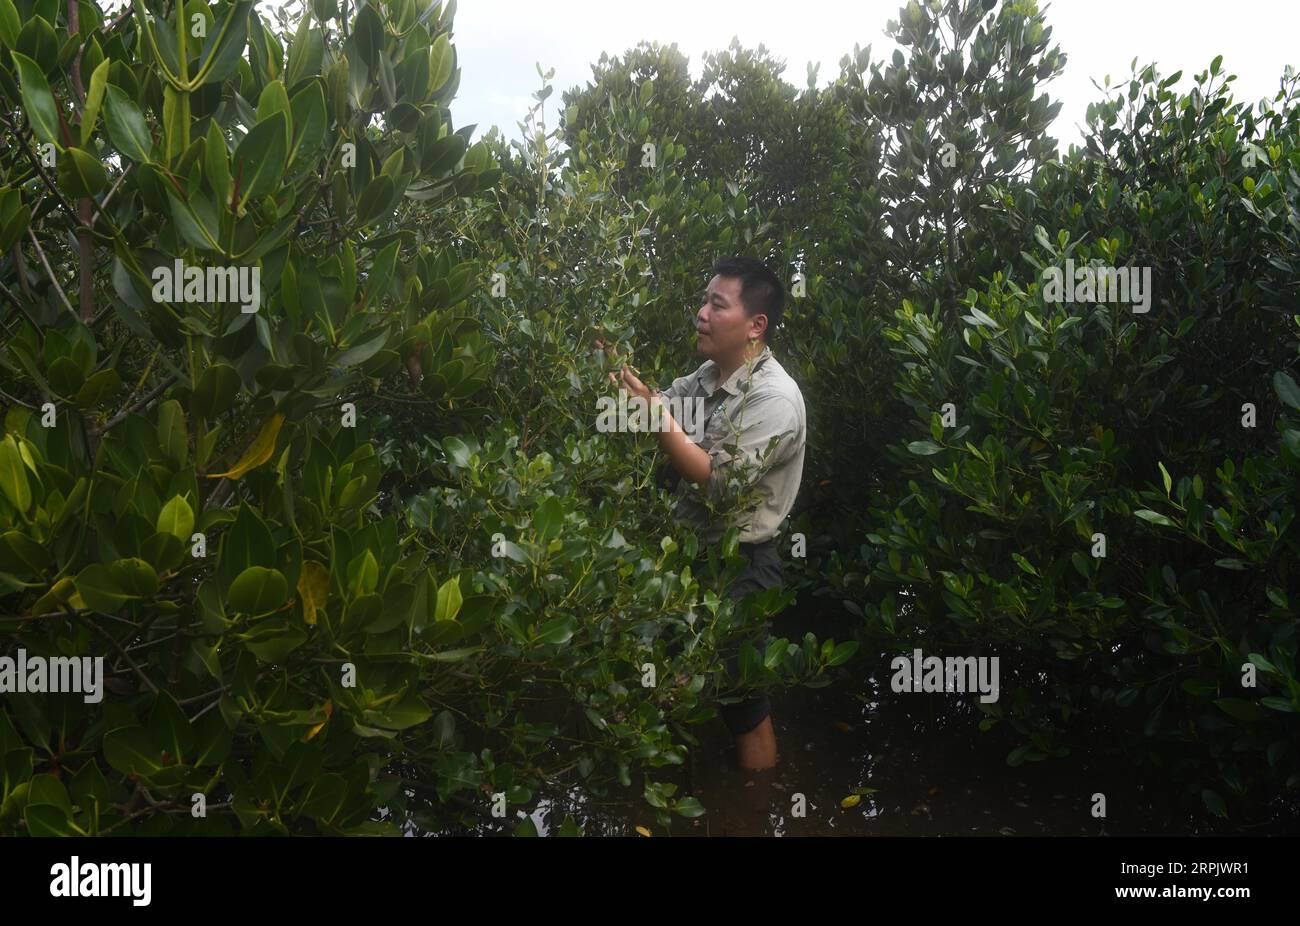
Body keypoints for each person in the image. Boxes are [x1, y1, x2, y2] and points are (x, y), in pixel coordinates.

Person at [602, 256, 806, 771]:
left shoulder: (775, 400)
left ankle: (755, 807)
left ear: (755, 325)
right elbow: (668, 406)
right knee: (672, 669)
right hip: (691, 555)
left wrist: (652, 414)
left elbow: (717, 483)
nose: (701, 314)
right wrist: (624, 379)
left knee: (744, 703)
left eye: (717, 305)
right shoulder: (713, 374)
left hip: (741, 567)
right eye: (704, 301)